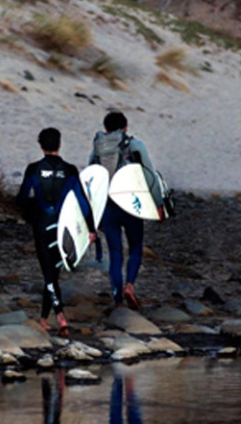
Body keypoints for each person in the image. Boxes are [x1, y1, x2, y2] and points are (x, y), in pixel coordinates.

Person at [16, 127, 95, 336]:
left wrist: (30, 210)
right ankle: (44, 319)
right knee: (53, 274)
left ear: (40, 145)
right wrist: (91, 229)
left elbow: (22, 198)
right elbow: (82, 202)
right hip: (63, 227)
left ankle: (60, 317)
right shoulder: (69, 170)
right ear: (60, 144)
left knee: (48, 274)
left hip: (42, 225)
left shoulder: (33, 169)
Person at [88, 111, 158, 310]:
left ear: (106, 128)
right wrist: (157, 204)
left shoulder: (97, 149)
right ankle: (130, 286)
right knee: (135, 247)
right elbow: (150, 175)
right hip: (131, 204)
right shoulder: (134, 145)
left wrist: (94, 215)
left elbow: (92, 181)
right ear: (125, 128)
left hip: (108, 207)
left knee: (115, 253)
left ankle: (118, 299)